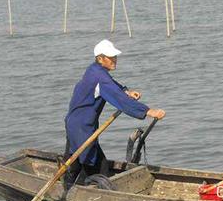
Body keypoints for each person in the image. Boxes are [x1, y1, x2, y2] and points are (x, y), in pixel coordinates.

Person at [63, 39, 165, 188]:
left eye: (115, 57)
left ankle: (69, 185)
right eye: (111, 57)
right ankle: (75, 190)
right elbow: (120, 101)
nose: (114, 60)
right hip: (81, 127)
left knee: (78, 159)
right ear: (100, 58)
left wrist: (126, 91)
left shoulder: (94, 70)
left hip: (76, 123)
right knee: (98, 167)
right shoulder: (98, 76)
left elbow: (112, 86)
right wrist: (148, 111)